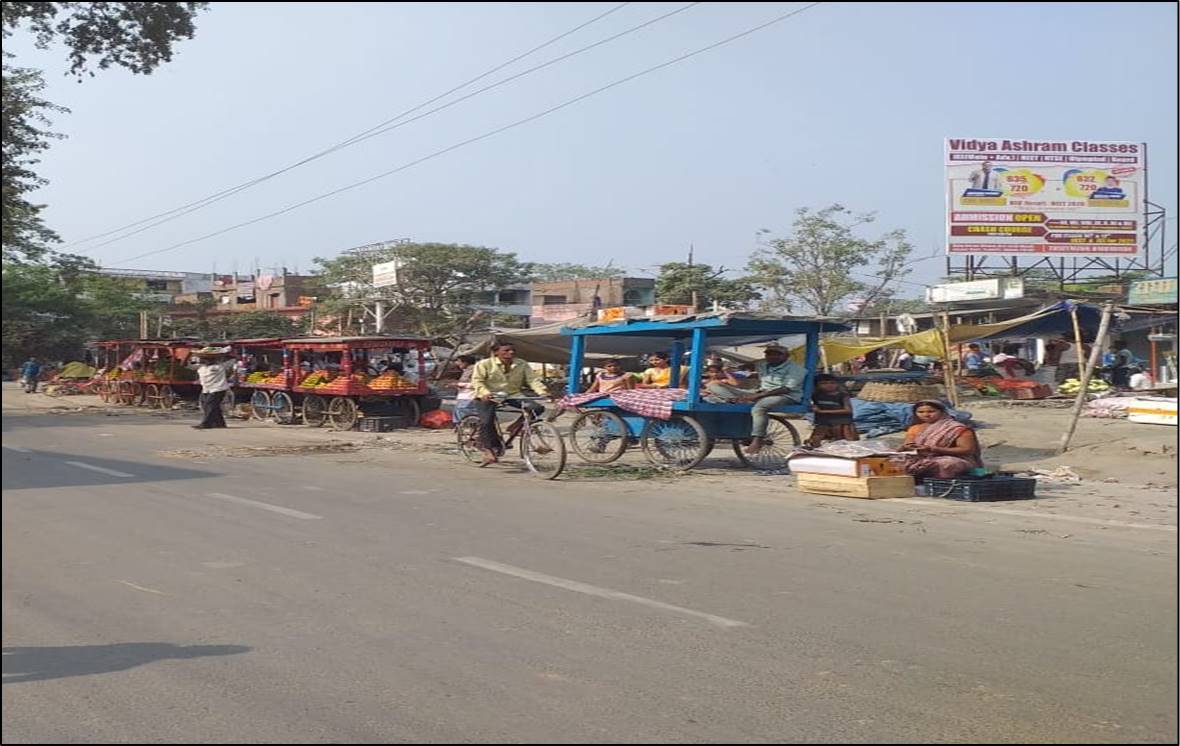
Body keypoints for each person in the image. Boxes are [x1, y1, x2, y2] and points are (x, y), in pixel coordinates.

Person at [704, 342, 806, 455]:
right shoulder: (764, 363)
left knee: (759, 407)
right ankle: (736, 401)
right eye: (769, 354)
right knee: (713, 385)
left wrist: (757, 396)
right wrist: (729, 370)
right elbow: (747, 366)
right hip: (760, 392)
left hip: (785, 396)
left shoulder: (796, 369)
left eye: (777, 354)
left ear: (786, 356)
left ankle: (758, 439)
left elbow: (786, 389)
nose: (772, 356)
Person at [470, 342, 550, 466]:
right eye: (506, 350)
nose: (511, 353)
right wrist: (485, 393)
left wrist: (542, 392)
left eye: (512, 350)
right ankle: (488, 450)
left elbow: (532, 380)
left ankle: (515, 426)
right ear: (496, 352)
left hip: (512, 394)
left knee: (537, 408)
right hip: (489, 395)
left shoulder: (521, 364)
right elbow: (477, 381)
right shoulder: (484, 364)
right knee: (486, 422)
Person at [900, 400, 982, 479]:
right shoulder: (914, 428)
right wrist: (906, 447)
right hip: (920, 457)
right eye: (920, 412)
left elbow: (967, 450)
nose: (926, 415)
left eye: (931, 411)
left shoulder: (956, 428)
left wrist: (932, 449)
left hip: (952, 458)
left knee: (946, 464)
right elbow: (908, 445)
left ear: (942, 412)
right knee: (895, 461)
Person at [807, 373, 858, 447]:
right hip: (823, 422)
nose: (829, 385)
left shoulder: (842, 395)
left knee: (845, 443)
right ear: (817, 385)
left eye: (832, 383)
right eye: (824, 383)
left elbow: (848, 410)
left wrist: (822, 411)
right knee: (815, 440)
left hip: (841, 422)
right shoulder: (816, 395)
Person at [192, 348, 237, 430]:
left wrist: (226, 354)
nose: (205, 361)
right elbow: (186, 365)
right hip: (206, 389)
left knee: (209, 406)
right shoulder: (201, 368)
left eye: (207, 359)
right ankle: (220, 423)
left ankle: (206, 423)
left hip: (218, 389)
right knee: (213, 407)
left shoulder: (219, 367)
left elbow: (232, 360)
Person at [452, 354, 479, 425]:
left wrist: (460, 385)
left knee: (464, 412)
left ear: (465, 362)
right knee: (458, 411)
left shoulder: (474, 370)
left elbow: (476, 383)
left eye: (459, 361)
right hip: (464, 395)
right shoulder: (467, 370)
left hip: (469, 396)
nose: (457, 363)